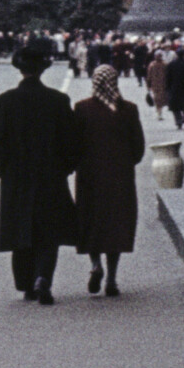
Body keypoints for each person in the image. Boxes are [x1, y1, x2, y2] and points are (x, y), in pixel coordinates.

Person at [0, 41, 81, 304]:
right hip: (50, 176)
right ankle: (44, 277)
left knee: (21, 231)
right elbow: (72, 141)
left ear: (20, 70)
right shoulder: (58, 100)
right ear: (42, 70)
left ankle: (26, 284)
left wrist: (5, 171)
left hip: (16, 178)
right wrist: (64, 168)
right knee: (48, 232)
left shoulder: (5, 102)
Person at [73, 63, 146, 295]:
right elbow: (139, 147)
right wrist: (125, 163)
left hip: (90, 177)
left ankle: (95, 265)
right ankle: (112, 279)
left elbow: (74, 144)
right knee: (116, 224)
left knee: (91, 220)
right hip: (120, 177)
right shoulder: (129, 109)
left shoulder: (82, 108)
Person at [146, 45, 169, 121]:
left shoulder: (152, 65)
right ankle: (159, 112)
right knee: (160, 99)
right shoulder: (165, 64)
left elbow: (149, 76)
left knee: (157, 99)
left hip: (155, 85)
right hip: (163, 84)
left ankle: (159, 112)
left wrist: (148, 85)